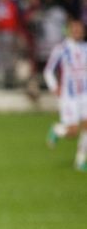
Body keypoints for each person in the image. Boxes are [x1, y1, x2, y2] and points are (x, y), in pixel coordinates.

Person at [44, 18, 87, 172]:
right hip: (69, 96)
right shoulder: (61, 49)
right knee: (73, 131)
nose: (78, 32)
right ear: (69, 31)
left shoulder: (85, 48)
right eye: (75, 29)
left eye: (80, 29)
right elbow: (48, 70)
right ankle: (57, 130)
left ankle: (81, 161)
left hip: (85, 95)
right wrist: (55, 87)